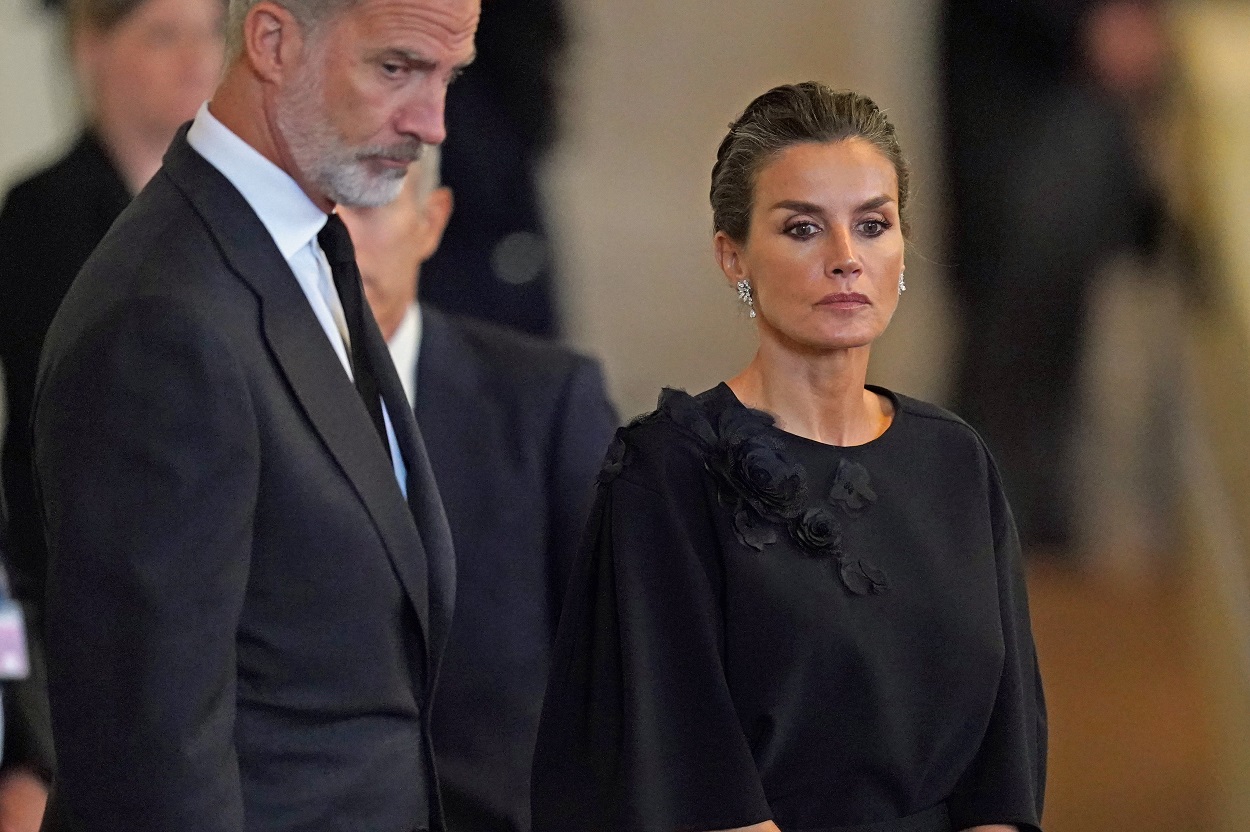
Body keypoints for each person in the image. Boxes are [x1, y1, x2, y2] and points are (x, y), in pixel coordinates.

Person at [531, 83, 1046, 832]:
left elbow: (1007, 755)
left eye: (873, 225)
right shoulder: (668, 471)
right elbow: (681, 763)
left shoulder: (955, 459)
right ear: (732, 256)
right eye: (803, 228)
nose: (846, 258)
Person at [29, 0, 478, 827]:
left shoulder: (303, 244)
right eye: (396, 68)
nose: (433, 122)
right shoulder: (161, 318)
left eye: (449, 76)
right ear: (273, 41)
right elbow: (147, 759)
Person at [339, 149, 618, 832]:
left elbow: (619, 669)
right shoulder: (226, 405)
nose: (339, 239)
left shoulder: (545, 403)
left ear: (429, 221)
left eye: (371, 201)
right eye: (315, 208)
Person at [0, 0, 223, 821]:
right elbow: (60, 422)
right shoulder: (43, 212)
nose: (196, 59)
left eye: (208, 33)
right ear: (91, 47)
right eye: (163, 34)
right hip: (77, 577)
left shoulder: (224, 216)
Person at [940, 0, 1167, 554]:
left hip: (1043, 116)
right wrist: (1090, 25)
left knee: (1028, 390)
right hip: (1031, 121)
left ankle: (1010, 546)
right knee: (1013, 378)